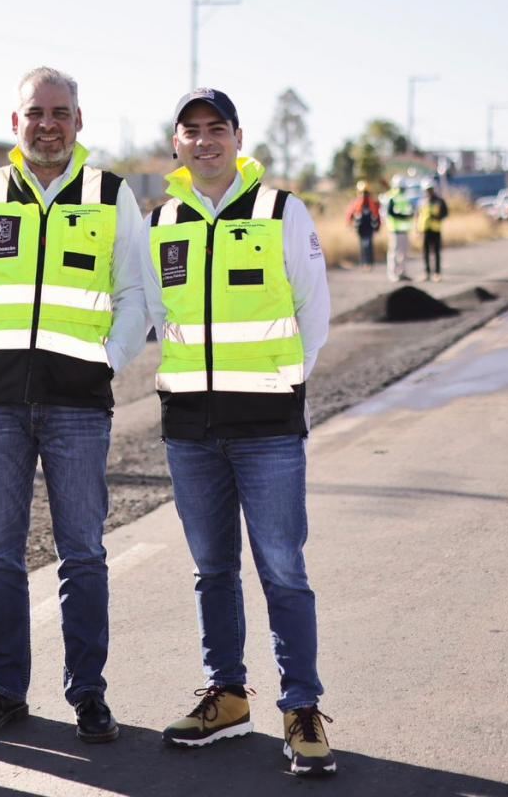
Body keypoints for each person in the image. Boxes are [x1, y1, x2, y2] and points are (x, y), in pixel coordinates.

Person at [0, 67, 146, 743]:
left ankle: (89, 694)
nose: (47, 123)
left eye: (60, 112)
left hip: (80, 404)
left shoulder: (111, 196)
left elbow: (137, 295)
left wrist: (106, 359)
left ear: (79, 121)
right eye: (35, 112)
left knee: (82, 551)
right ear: (14, 122)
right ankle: (4, 689)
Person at [143, 89, 335, 777]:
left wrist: (285, 384)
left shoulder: (281, 212)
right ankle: (225, 697)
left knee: (283, 568)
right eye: (190, 131)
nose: (203, 141)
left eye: (215, 129)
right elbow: (150, 314)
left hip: (268, 429)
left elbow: (316, 309)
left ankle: (301, 708)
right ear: (177, 144)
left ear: (237, 137)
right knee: (212, 569)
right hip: (190, 427)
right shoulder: (159, 221)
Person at [382, 176, 415, 281]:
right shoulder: (391, 198)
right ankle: (392, 273)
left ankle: (402, 272)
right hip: (395, 230)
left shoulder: (405, 198)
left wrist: (409, 215)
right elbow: (390, 213)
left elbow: (410, 211)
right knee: (394, 253)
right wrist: (404, 216)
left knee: (404, 253)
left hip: (404, 230)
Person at [415, 184, 448, 281]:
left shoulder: (439, 201)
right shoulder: (421, 201)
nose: (429, 192)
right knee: (426, 252)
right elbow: (417, 215)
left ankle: (437, 273)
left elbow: (445, 213)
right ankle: (427, 272)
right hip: (425, 229)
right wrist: (417, 228)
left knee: (436, 252)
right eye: (427, 190)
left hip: (435, 229)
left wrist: (437, 217)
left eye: (430, 189)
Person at [344, 181, 381, 270]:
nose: (364, 195)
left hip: (369, 226)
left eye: (366, 192)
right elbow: (350, 213)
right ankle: (364, 262)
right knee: (363, 245)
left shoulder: (372, 202)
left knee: (368, 244)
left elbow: (377, 214)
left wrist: (378, 225)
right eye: (363, 192)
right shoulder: (356, 202)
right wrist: (349, 223)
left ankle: (369, 263)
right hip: (360, 227)